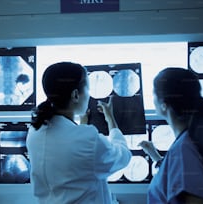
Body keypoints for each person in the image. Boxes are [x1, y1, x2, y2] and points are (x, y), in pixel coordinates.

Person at [26, 62, 132, 204]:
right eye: (88, 88)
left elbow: (72, 164)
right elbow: (123, 157)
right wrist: (111, 121)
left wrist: (81, 124)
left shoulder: (35, 131)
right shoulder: (88, 139)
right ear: (75, 95)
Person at [138, 67, 203, 204]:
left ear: (163, 105)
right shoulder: (189, 142)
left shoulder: (183, 150)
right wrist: (156, 157)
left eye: (153, 94)